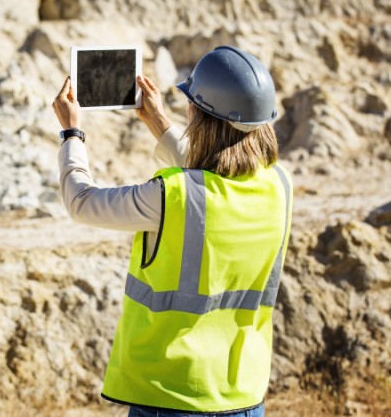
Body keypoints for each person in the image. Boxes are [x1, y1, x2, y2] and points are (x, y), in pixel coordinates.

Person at [52, 46, 293, 417]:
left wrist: (72, 133)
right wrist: (158, 122)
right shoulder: (279, 185)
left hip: (171, 396)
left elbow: (82, 201)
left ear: (198, 114)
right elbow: (218, 174)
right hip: (244, 395)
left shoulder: (174, 195)